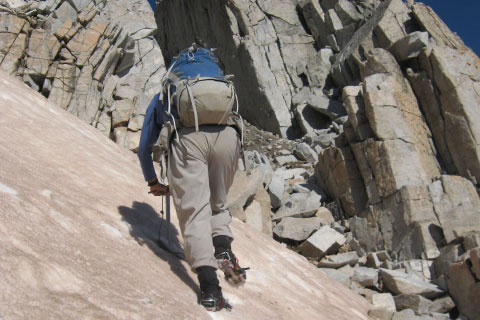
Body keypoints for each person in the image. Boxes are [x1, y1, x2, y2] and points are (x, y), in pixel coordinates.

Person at [137, 45, 246, 312]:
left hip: (188, 141)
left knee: (194, 213)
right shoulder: (217, 79)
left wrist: (153, 181)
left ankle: (210, 288)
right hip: (228, 137)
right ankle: (222, 247)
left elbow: (144, 147)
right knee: (217, 203)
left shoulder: (168, 89)